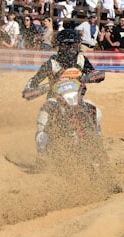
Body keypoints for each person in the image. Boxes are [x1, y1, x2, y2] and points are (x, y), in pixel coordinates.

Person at [22, 29, 103, 159]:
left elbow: (97, 73)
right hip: (55, 101)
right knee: (42, 121)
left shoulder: (81, 60)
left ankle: (97, 142)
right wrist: (35, 90)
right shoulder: (51, 63)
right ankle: (42, 156)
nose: (71, 49)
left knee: (96, 112)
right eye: (67, 46)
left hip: (77, 99)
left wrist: (89, 77)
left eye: (74, 45)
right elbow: (32, 82)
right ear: (60, 46)